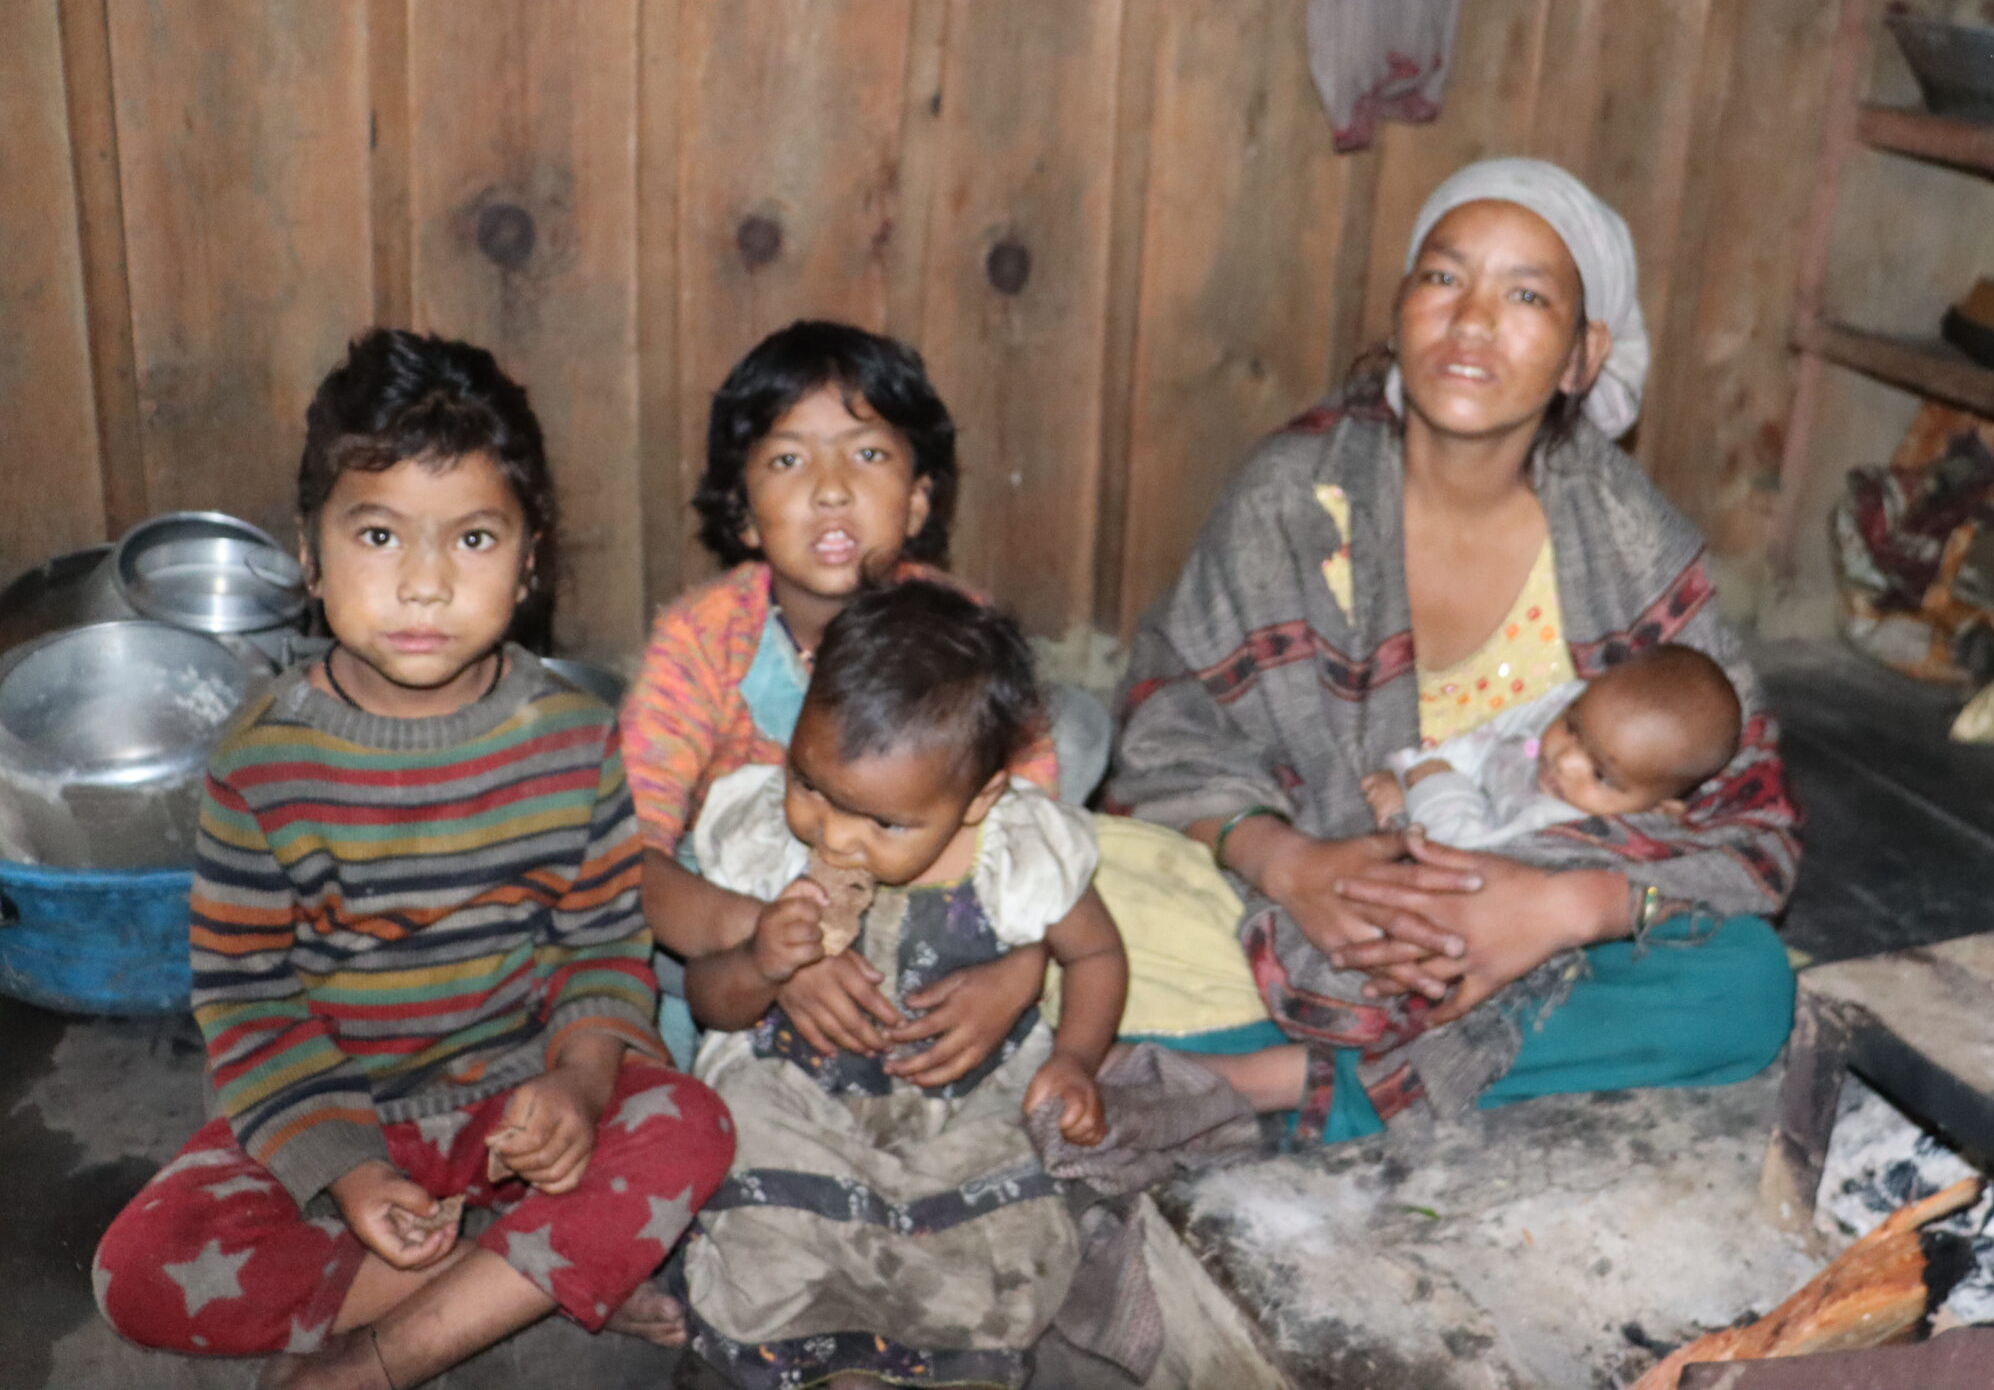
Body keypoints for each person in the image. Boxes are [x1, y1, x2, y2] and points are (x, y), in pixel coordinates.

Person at [1110, 157, 1802, 1142]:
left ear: (1582, 356)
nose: (1472, 319)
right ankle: (1404, 1067)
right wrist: (1293, 865)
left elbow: (1747, 822)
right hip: (1309, 900)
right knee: (1082, 903)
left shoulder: (1630, 543)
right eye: (1443, 276)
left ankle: (1285, 1080)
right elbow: (1167, 735)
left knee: (1747, 986)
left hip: (1538, 927)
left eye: (1526, 295)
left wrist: (1562, 910)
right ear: (1400, 313)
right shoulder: (1295, 496)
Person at [92, 330, 734, 1388]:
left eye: (474, 539)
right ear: (309, 555)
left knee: (691, 1126)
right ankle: (532, 1271)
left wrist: (578, 1087)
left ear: (530, 561)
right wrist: (348, 1175)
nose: (426, 583)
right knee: (140, 1271)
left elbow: (600, 947)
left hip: (516, 1106)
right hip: (333, 1115)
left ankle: (387, 1351)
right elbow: (249, 1001)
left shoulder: (572, 740)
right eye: (380, 534)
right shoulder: (264, 763)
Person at [628, 322, 1260, 1075]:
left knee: (1074, 728)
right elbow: (632, 857)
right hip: (747, 916)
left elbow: (1023, 837)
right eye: (789, 459)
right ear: (742, 510)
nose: (831, 490)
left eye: (868, 454)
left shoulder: (960, 631)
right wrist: (773, 946)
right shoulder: (701, 638)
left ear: (918, 500)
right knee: (653, 967)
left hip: (942, 912)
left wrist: (1020, 971)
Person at [673, 580, 1126, 1390]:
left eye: (883, 823)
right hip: (800, 1097)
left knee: (1002, 1235)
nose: (835, 835)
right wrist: (760, 963)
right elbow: (711, 1002)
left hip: (963, 1104)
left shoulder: (1017, 849)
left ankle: (950, 1362)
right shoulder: (768, 838)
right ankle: (818, 1361)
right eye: (810, 785)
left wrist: (1076, 1058)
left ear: (979, 797)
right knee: (756, 1188)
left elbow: (1096, 955)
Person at [1369, 644, 1743, 852]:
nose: (1566, 759)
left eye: (1600, 775)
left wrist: (1431, 784)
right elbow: (1491, 736)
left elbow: (1465, 857)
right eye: (1572, 728)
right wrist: (1413, 769)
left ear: (1656, 811)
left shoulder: (1567, 830)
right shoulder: (1571, 705)